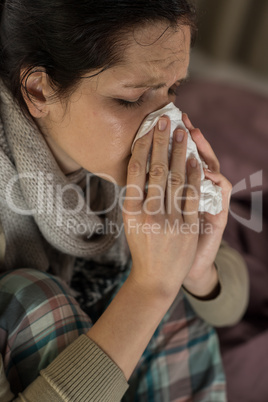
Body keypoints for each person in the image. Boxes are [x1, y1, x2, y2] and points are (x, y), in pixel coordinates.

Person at [0, 0, 249, 400]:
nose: (164, 122)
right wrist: (151, 287)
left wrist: (197, 267)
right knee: (31, 298)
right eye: (132, 100)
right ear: (37, 89)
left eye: (172, 90)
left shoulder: (134, 171)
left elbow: (227, 309)